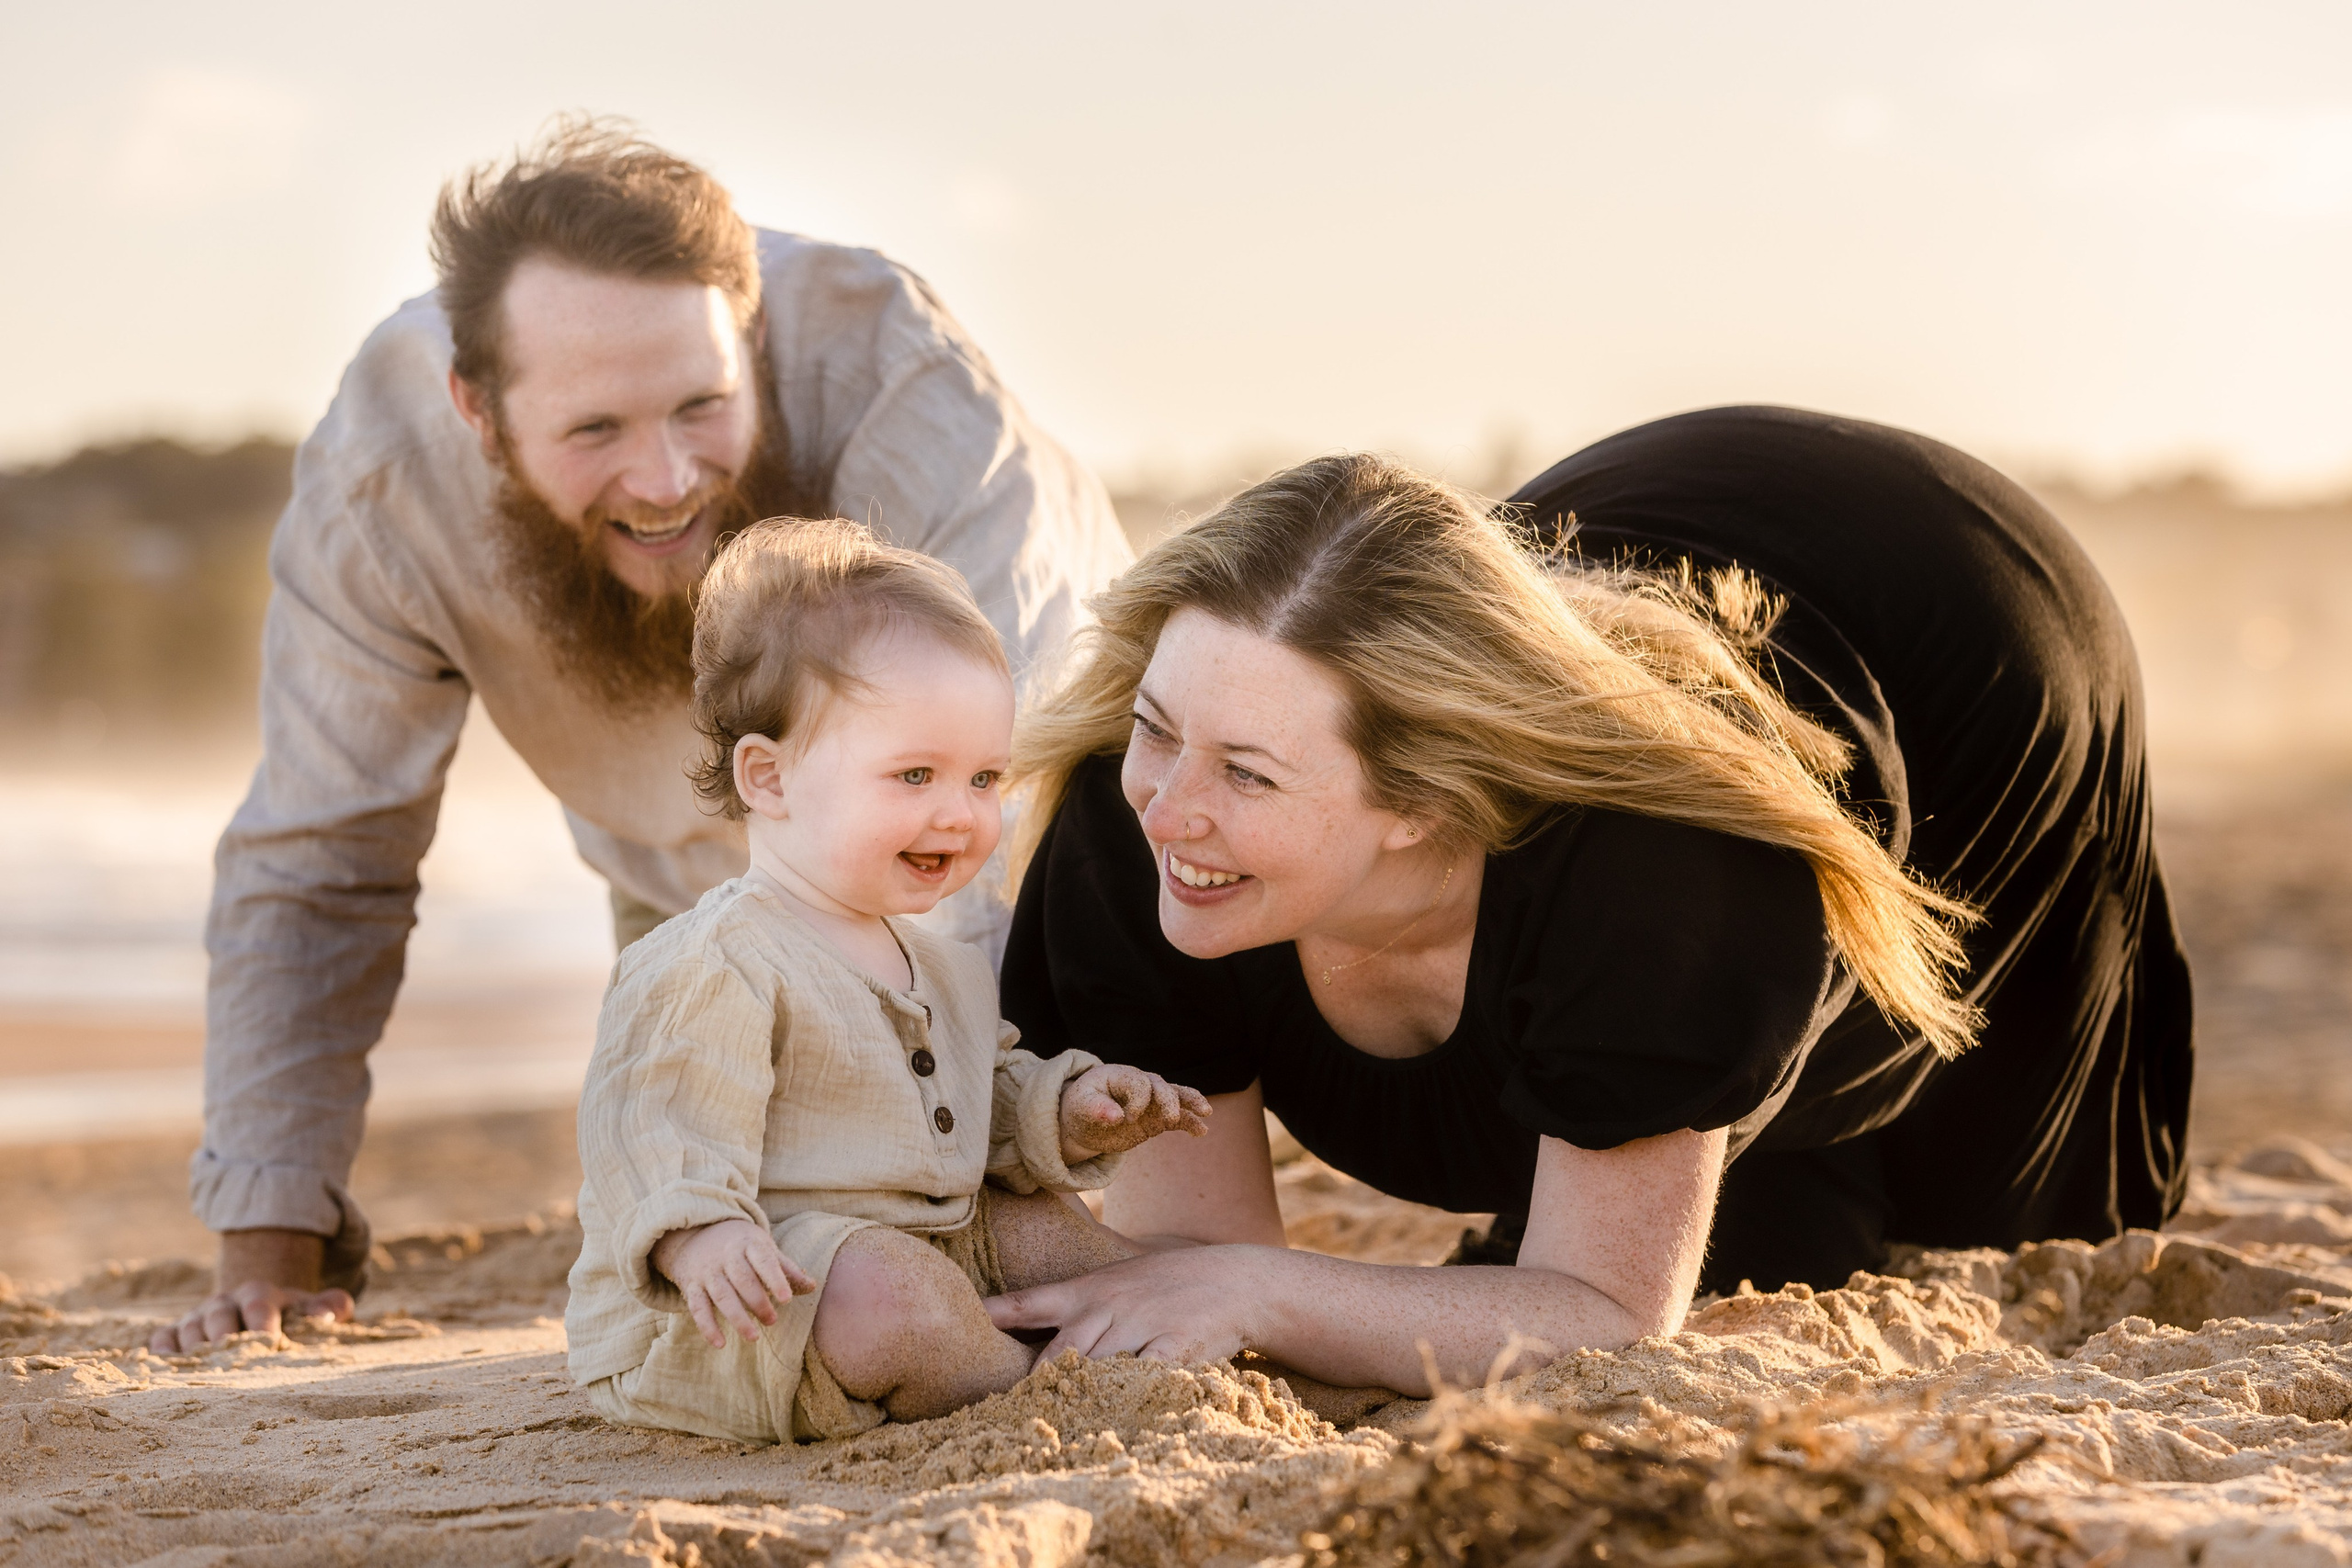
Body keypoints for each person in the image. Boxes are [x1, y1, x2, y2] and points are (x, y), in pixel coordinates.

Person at [154, 122, 1131, 1355]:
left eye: (701, 406)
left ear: (753, 338)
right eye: (595, 431)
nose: (667, 478)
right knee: (702, 1173)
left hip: (1041, 858)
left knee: (996, 1226)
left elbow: (973, 842)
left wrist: (959, 1195)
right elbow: (321, 861)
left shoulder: (905, 388)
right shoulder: (383, 488)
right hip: (678, 871)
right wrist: (269, 1245)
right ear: (479, 409)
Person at [989, 408, 2192, 1397]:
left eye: (1248, 772)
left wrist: (1269, 1288)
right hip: (1639, 551)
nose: (1171, 806)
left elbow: (1608, 1312)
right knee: (1749, 1241)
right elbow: (1193, 1256)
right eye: (1159, 729)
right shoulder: (1132, 817)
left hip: (1970, 630)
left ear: (1425, 798)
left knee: (2006, 1240)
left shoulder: (1661, 870)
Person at [566, 519, 1206, 1443]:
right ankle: (1042, 1388)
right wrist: (700, 1234)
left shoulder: (937, 962)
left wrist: (1062, 1109)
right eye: (913, 775)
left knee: (1050, 1231)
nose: (959, 813)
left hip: (924, 1238)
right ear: (770, 778)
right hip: (749, 1300)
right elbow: (656, 1123)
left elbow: (973, 1104)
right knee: (892, 1296)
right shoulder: (719, 958)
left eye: (984, 777)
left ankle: (1142, 1330)